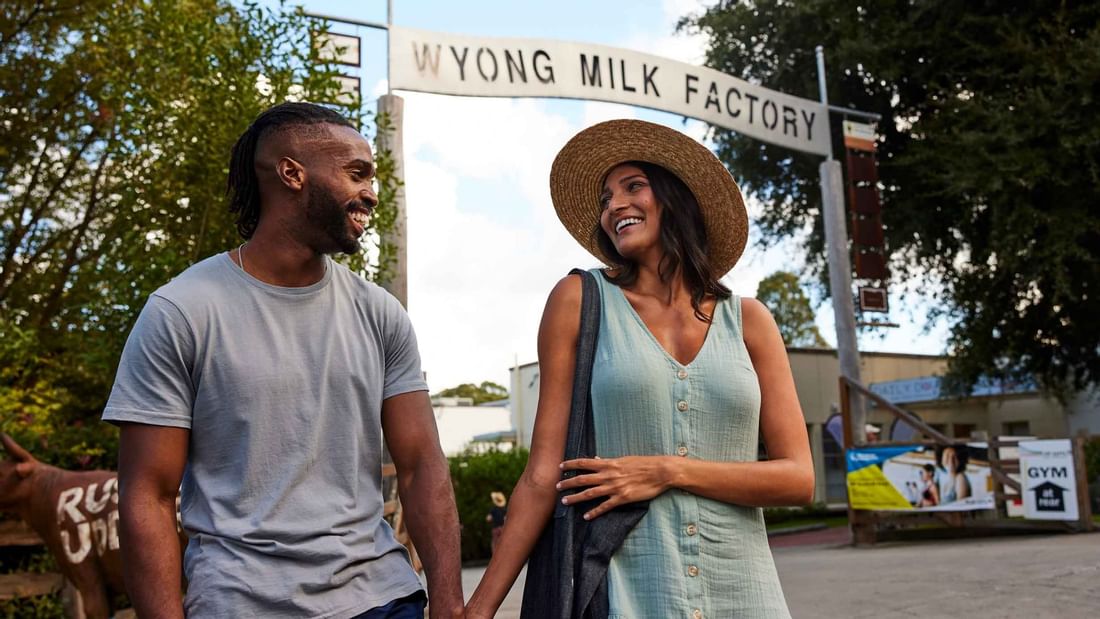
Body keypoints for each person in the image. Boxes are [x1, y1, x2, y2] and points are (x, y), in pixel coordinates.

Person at [103, 102, 464, 619]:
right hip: (239, 603)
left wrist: (449, 604)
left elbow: (422, 464)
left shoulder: (381, 314)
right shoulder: (181, 311)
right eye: (356, 173)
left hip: (380, 597)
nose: (371, 193)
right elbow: (148, 495)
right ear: (292, 174)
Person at [466, 119, 814, 618]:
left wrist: (667, 471)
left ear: (677, 199)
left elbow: (798, 478)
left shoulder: (750, 321)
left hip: (745, 594)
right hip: (631, 594)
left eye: (633, 187)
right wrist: (479, 608)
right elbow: (543, 476)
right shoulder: (579, 301)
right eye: (606, 198)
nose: (614, 207)